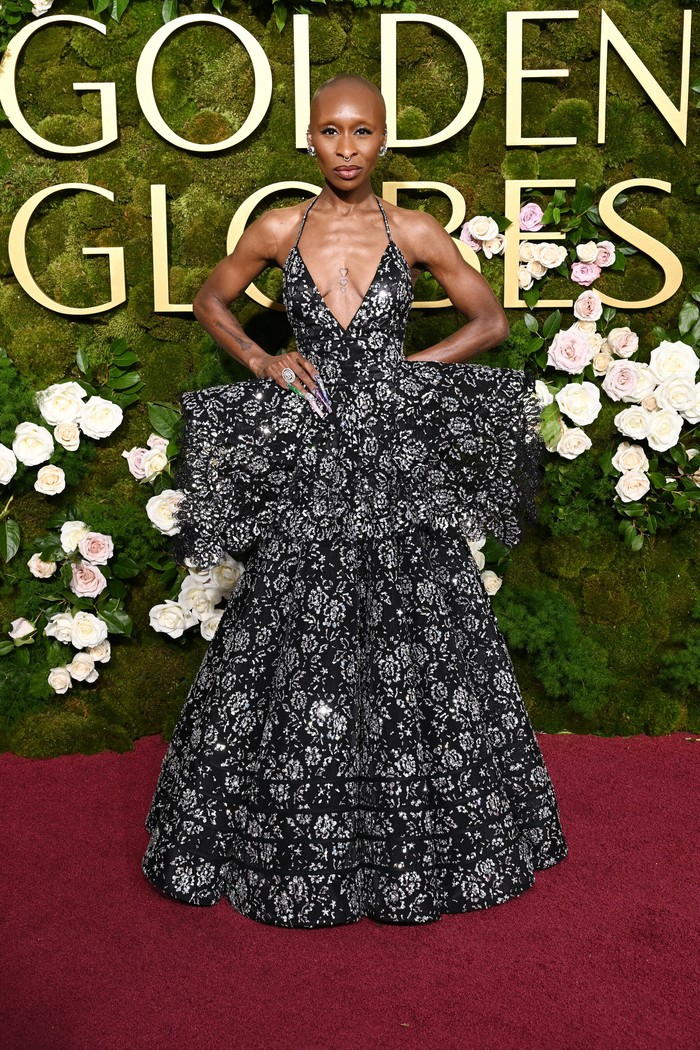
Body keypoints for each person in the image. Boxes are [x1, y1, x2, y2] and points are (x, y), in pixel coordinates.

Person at [141, 73, 568, 927]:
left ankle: (423, 824)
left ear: (382, 142)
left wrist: (415, 369)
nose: (346, 147)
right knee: (293, 617)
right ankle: (293, 816)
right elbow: (211, 300)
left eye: (361, 132)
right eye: (332, 132)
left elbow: (489, 322)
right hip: (312, 450)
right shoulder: (277, 228)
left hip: (393, 455)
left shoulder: (412, 228)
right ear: (309, 138)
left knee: (422, 620)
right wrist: (263, 363)